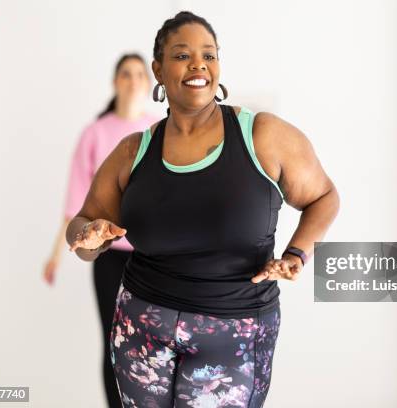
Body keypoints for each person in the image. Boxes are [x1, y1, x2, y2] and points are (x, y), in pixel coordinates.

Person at [66, 11, 339, 408]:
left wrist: (298, 252)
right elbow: (84, 231)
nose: (198, 64)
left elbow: (324, 196)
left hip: (234, 332)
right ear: (158, 70)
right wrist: (87, 235)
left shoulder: (262, 135)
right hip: (142, 329)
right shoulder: (133, 151)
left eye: (209, 55)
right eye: (182, 56)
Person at [44, 53, 159, 408]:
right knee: (114, 341)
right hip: (108, 259)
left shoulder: (158, 130)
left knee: (152, 340)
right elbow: (76, 203)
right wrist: (55, 256)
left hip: (151, 258)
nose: (134, 79)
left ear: (148, 81)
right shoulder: (95, 133)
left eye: (140, 73)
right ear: (115, 82)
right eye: (126, 73)